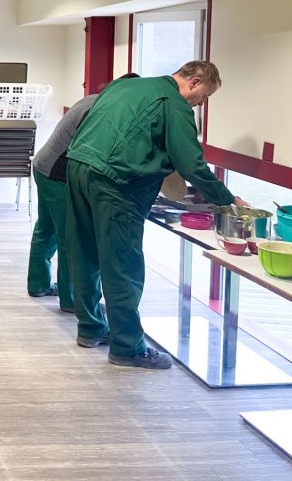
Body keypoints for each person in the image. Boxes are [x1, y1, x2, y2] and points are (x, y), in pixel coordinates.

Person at [65, 61, 248, 370]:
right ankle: (127, 347)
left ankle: (90, 328)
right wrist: (227, 201)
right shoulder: (174, 104)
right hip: (116, 182)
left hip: (78, 166)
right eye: (204, 96)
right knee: (122, 263)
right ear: (194, 81)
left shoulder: (126, 85)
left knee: (84, 251)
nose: (200, 103)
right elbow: (191, 164)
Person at [27, 73, 140, 311]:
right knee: (71, 238)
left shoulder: (91, 99)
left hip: (43, 166)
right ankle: (72, 300)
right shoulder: (101, 111)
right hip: (57, 175)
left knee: (46, 228)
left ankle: (38, 283)